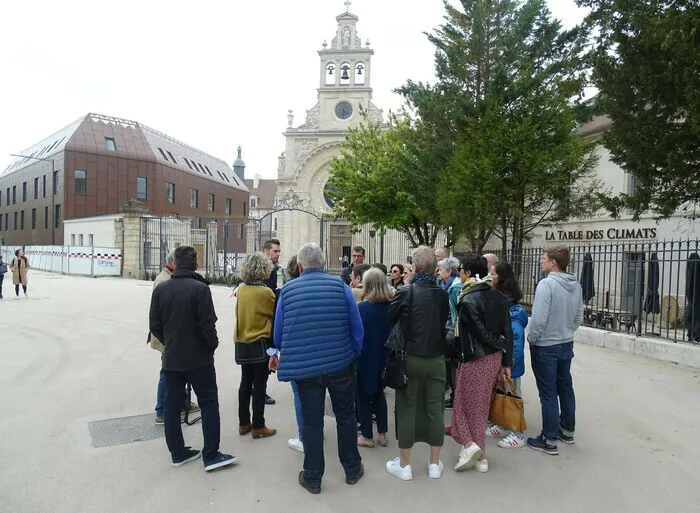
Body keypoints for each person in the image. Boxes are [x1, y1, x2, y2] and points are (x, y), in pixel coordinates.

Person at [274, 243, 364, 494]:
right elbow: (357, 329)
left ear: (300, 266)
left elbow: (278, 335)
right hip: (341, 363)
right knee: (346, 416)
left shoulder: (288, 290)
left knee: (312, 423)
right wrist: (352, 354)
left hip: (306, 369)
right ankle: (352, 469)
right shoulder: (340, 287)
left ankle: (313, 477)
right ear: (323, 264)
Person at [149, 246, 237, 472]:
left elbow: (155, 325)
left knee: (171, 405)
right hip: (199, 359)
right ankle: (211, 454)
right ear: (196, 264)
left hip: (172, 358)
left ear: (175, 264)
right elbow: (208, 325)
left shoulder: (162, 288)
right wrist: (211, 346)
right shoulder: (200, 289)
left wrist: (170, 343)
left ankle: (177, 452)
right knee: (208, 403)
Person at [386, 246, 449, 481]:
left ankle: (404, 465)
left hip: (410, 357)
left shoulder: (406, 291)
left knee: (407, 407)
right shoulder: (442, 294)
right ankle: (434, 463)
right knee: (435, 408)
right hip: (437, 359)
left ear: (414, 267)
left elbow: (390, 317)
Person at [450, 254, 513, 474]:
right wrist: (505, 358)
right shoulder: (497, 296)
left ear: (467, 272)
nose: (458, 272)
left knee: (464, 406)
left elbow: (482, 333)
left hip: (477, 357)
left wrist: (499, 345)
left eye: (460, 269)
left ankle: (471, 446)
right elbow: (508, 331)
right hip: (492, 358)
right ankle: (478, 454)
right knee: (478, 406)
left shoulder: (467, 299)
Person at [527, 246, 583, 456]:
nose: (541, 261)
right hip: (566, 342)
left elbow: (539, 319)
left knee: (548, 392)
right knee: (565, 387)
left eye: (544, 258)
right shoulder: (575, 285)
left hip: (546, 345)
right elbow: (578, 317)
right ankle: (566, 430)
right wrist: (567, 331)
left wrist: (532, 339)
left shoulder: (546, 285)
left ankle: (549, 439)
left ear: (553, 262)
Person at [152, 250, 200, 425]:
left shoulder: (168, 277)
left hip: (172, 335)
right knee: (167, 372)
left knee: (179, 370)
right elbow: (159, 316)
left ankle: (182, 403)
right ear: (174, 263)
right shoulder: (164, 280)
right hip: (168, 336)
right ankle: (162, 411)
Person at [235, 252, 278, 440]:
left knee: (245, 383)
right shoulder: (265, 292)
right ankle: (259, 425)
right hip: (260, 341)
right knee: (259, 385)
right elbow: (273, 314)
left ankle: (243, 422)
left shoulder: (242, 289)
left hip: (243, 341)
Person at [488, 261, 529, 449]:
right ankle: (502, 423)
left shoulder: (509, 307)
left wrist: (510, 364)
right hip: (503, 357)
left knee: (513, 394)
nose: (490, 275)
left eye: (493, 273)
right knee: (502, 391)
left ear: (502, 277)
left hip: (510, 360)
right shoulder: (500, 298)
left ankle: (517, 433)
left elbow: (516, 340)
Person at [356, 268, 391, 448]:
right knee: (379, 394)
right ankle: (383, 433)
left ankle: (367, 435)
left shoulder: (361, 308)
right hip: (384, 356)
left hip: (364, 357)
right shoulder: (391, 307)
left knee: (363, 396)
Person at [282, 255, 305, 453]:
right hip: (325, 354)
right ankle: (315, 429)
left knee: (300, 395)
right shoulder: (334, 287)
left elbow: (278, 328)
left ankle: (304, 437)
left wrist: (280, 351)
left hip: (296, 354)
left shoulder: (287, 291)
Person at [437, 257, 462, 409]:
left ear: (450, 271)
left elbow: (455, 314)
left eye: (441, 270)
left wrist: (450, 334)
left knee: (453, 367)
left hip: (452, 329)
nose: (438, 272)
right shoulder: (443, 284)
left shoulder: (455, 288)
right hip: (446, 327)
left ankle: (455, 397)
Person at [262, 239, 282, 405]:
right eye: (275, 251)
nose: (278, 254)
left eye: (278, 251)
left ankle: (258, 388)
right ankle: (260, 390)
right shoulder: (269, 269)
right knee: (266, 353)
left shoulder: (276, 269)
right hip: (267, 316)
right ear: (266, 251)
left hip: (269, 315)